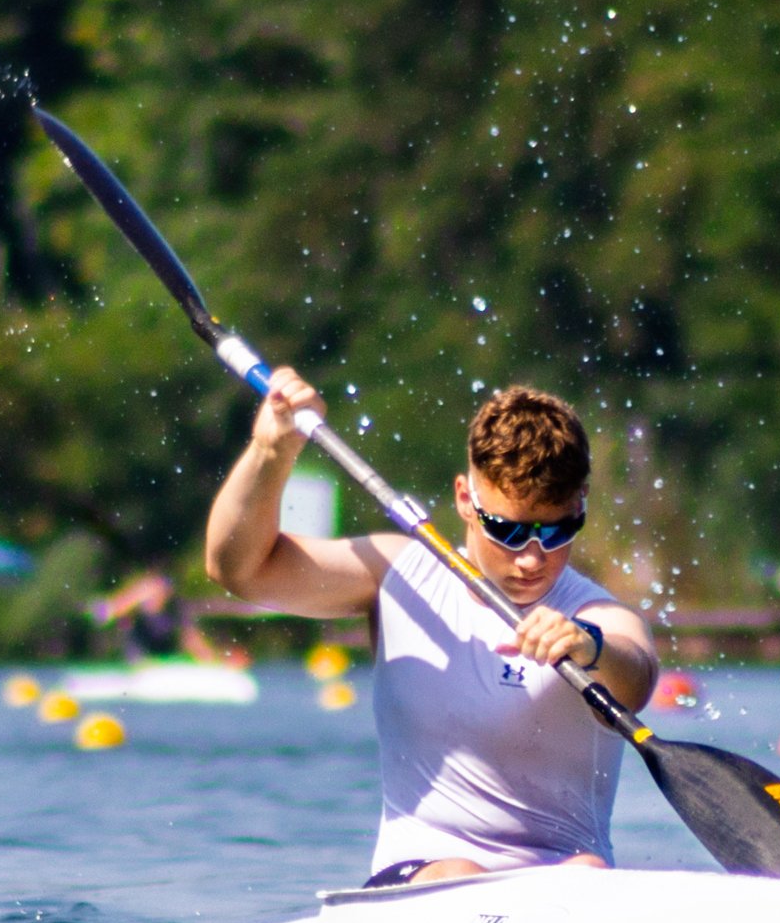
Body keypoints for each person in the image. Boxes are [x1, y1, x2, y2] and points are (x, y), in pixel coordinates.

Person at [206, 371, 657, 887]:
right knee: (460, 873)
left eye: (557, 531)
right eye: (508, 531)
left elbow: (635, 677)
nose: (532, 559)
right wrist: (271, 451)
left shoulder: (597, 615)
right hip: (423, 877)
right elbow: (239, 569)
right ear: (465, 498)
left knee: (587, 871)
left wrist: (589, 646)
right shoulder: (397, 574)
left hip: (564, 884)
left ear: (581, 503)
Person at [89, 570, 221, 662]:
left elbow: (190, 636)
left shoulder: (175, 608)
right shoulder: (135, 605)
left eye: (159, 593)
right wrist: (129, 600)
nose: (155, 598)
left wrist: (208, 658)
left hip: (165, 659)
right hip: (137, 660)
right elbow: (104, 613)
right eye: (151, 594)